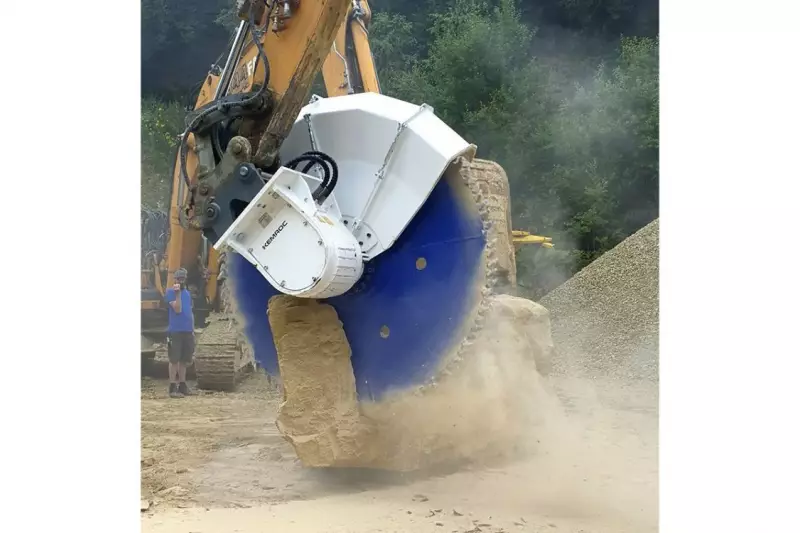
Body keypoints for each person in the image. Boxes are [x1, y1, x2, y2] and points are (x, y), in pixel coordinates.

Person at [165, 268, 195, 398]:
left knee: (184, 360)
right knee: (174, 360)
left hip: (187, 331)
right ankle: (173, 387)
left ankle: (182, 385)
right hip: (175, 331)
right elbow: (177, 309)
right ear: (175, 279)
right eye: (179, 279)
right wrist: (177, 294)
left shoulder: (187, 294)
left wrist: (192, 329)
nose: (181, 281)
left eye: (183, 279)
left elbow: (190, 312)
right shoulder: (170, 293)